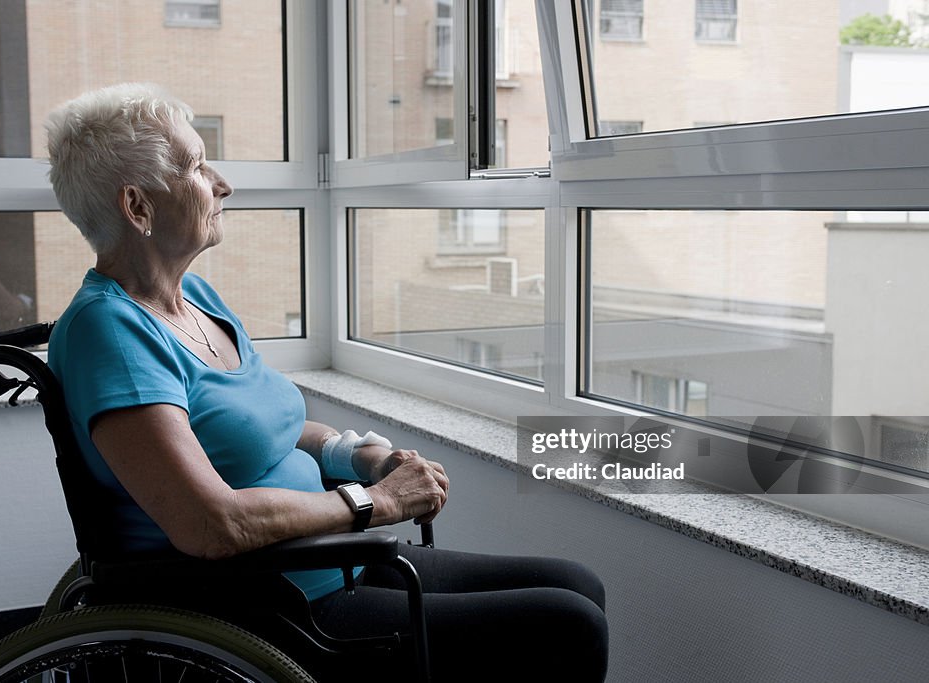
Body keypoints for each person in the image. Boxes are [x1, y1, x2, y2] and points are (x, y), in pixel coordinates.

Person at [45, 83, 607, 682]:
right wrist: (377, 502)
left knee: (580, 584)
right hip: (267, 602)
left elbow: (267, 428)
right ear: (138, 208)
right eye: (195, 166)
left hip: (330, 561)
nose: (222, 184)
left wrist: (356, 455)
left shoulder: (195, 299)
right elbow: (211, 525)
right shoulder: (109, 333)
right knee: (567, 624)